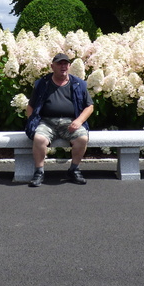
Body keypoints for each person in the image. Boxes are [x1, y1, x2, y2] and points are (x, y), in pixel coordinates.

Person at [25, 53, 94, 187]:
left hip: (70, 122)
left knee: (82, 139)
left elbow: (89, 106)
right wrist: (32, 121)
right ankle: (39, 172)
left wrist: (79, 121)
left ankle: (74, 169)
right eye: (59, 64)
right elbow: (30, 106)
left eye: (65, 64)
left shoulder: (78, 84)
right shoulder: (42, 83)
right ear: (52, 66)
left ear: (69, 66)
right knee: (39, 139)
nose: (63, 66)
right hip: (46, 122)